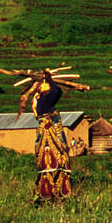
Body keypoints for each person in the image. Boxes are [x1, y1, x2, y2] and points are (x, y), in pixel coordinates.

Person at [29, 71, 71, 203]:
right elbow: (57, 91)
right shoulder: (44, 101)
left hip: (45, 138)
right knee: (58, 159)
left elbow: (55, 91)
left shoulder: (38, 101)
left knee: (47, 163)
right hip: (51, 138)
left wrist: (48, 79)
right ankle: (56, 192)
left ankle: (46, 193)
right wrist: (50, 79)